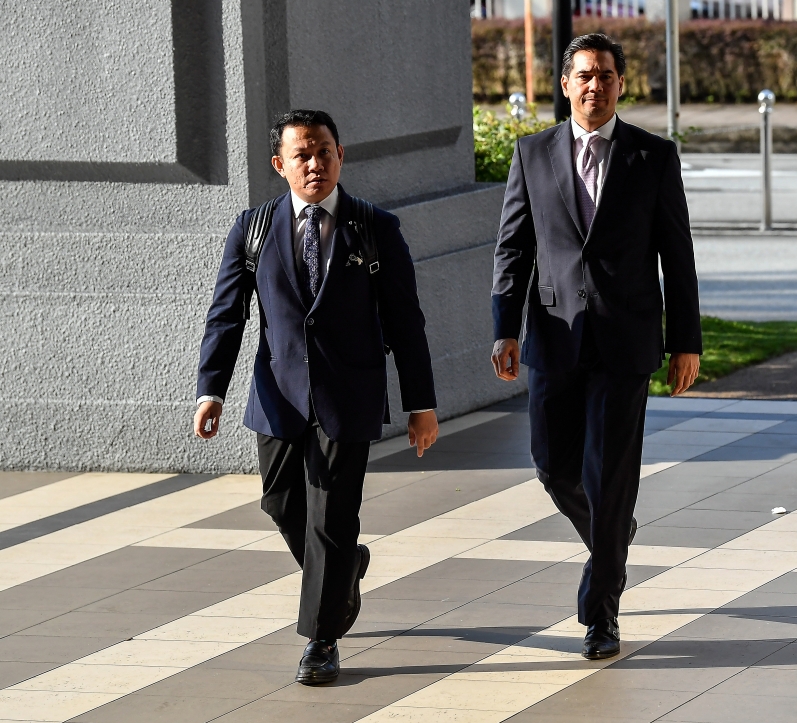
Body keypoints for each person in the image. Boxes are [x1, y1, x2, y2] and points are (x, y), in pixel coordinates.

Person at [194, 109, 439, 685]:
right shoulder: (252, 229)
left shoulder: (375, 227)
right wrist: (211, 390)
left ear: (340, 155)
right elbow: (226, 315)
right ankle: (346, 566)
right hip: (277, 395)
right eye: (301, 155)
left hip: (347, 395)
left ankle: (321, 640)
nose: (315, 164)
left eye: (324, 151)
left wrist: (420, 403)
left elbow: (406, 321)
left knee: (331, 515)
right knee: (281, 504)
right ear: (279, 164)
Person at [491, 34, 702, 660]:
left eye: (606, 75)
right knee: (552, 466)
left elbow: (677, 255)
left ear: (620, 84)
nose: (594, 85)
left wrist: (685, 341)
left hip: (624, 341)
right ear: (565, 85)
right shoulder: (532, 153)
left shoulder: (652, 156)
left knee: (609, 477)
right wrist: (505, 327)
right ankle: (611, 534)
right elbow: (513, 248)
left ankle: (601, 612)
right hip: (553, 337)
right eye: (584, 75)